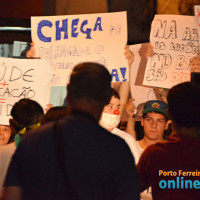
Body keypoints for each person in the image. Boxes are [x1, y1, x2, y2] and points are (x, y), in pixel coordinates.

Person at [1, 62, 140, 200]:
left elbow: (11, 195)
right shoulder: (117, 148)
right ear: (105, 97)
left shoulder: (32, 140)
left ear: (69, 91)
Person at [137, 82, 200, 199]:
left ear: (169, 115)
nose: (154, 125)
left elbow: (126, 189)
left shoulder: (154, 155)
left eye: (159, 121)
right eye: (149, 119)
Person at [99, 88, 140, 163]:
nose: (116, 112)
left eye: (117, 107)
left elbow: (136, 170)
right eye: (110, 106)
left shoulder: (126, 140)